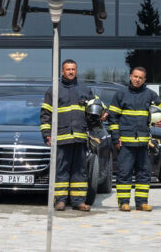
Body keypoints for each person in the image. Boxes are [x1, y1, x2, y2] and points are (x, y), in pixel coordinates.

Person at [41, 59, 97, 212]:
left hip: (79, 137)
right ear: (62, 71)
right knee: (61, 170)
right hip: (61, 137)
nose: (71, 72)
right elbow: (46, 114)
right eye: (68, 69)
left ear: (76, 71)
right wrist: (46, 134)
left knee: (80, 171)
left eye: (73, 69)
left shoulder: (85, 89)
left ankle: (79, 202)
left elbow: (93, 112)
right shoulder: (53, 90)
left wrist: (98, 118)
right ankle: (60, 201)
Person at [109, 66, 161, 212]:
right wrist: (116, 138)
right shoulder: (121, 94)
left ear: (144, 80)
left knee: (144, 173)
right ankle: (123, 203)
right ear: (130, 76)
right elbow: (113, 118)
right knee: (124, 173)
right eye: (135, 76)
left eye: (140, 77)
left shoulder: (150, 95)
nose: (137, 79)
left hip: (144, 142)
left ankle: (141, 203)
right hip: (126, 143)